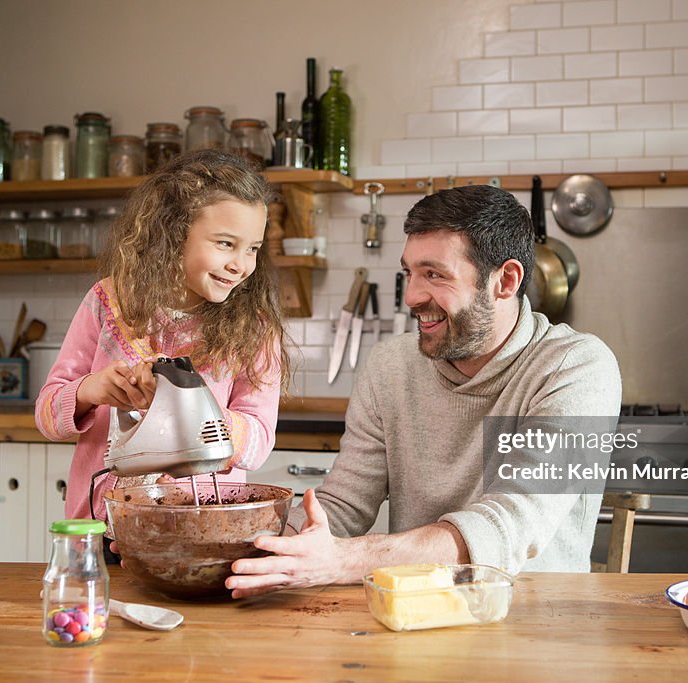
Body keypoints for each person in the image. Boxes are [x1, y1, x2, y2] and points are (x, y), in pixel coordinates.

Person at [226, 184, 621, 598]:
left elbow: (510, 523)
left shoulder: (577, 367)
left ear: (505, 280)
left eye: (434, 274)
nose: (412, 296)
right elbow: (342, 507)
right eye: (408, 273)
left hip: (536, 624)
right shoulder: (389, 366)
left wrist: (342, 560)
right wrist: (266, 549)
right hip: (410, 616)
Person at [35, 150, 289, 540]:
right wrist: (91, 389)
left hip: (200, 535)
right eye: (225, 243)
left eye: (252, 248)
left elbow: (255, 445)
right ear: (173, 233)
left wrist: (185, 403)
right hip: (100, 531)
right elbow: (47, 416)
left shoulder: (254, 328)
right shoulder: (107, 302)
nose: (242, 264)